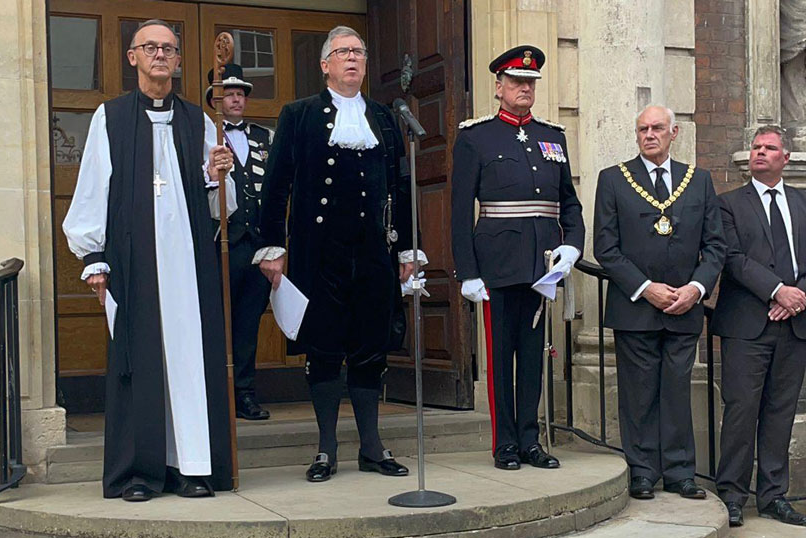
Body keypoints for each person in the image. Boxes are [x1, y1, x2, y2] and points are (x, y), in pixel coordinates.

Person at [62, 19, 237, 502]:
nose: (161, 55)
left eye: (169, 48)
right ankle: (141, 473)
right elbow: (93, 187)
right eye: (151, 47)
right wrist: (93, 257)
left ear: (179, 61)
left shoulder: (198, 120)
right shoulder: (111, 117)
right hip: (134, 263)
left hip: (189, 264)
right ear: (133, 57)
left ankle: (193, 467)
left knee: (188, 360)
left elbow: (221, 205)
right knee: (140, 363)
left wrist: (218, 174)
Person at [255, 26, 423, 482]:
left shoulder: (387, 118)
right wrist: (272, 247)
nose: (352, 58)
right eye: (343, 52)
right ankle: (326, 449)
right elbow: (277, 185)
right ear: (325, 64)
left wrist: (409, 246)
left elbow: (401, 185)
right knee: (324, 349)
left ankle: (371, 447)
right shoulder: (299, 114)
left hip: (374, 252)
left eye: (359, 52)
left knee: (370, 349)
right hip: (318, 251)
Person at [451, 45, 585, 471]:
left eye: (530, 82)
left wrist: (573, 245)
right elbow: (458, 210)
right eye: (516, 81)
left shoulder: (553, 137)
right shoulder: (476, 137)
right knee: (500, 359)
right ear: (499, 86)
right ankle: (505, 444)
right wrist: (467, 272)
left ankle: (531, 440)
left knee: (533, 357)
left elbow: (569, 203)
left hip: (542, 265)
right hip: (497, 263)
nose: (524, 88)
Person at [593, 105, 726, 500]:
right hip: (635, 307)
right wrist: (646, 287)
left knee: (677, 391)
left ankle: (681, 473)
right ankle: (642, 471)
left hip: (685, 309)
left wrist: (696, 290)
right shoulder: (614, 180)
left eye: (656, 128)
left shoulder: (698, 181)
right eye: (642, 129)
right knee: (638, 394)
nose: (649, 135)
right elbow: (606, 247)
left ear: (674, 132)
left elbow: (715, 246)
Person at [712, 125, 806, 528]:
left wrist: (797, 294)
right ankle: (731, 495)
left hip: (795, 325)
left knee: (780, 412)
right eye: (755, 147)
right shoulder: (728, 204)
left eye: (769, 148)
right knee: (741, 411)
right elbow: (732, 258)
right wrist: (776, 291)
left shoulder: (802, 203)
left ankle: (773, 496)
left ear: (786, 158)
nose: (760, 153)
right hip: (746, 325)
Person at [204, 63, 273, 421]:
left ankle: (245, 394)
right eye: (228, 93)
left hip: (257, 244)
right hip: (221, 244)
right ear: (214, 99)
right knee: (218, 320)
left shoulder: (264, 136)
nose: (235, 99)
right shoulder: (205, 136)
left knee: (248, 322)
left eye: (239, 93)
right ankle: (217, 395)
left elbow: (277, 190)